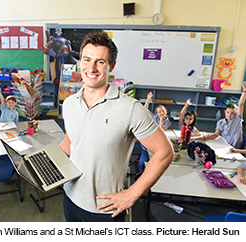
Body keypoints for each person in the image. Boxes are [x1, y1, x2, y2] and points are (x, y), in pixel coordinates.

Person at [59, 30, 173, 222]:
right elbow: (71, 141)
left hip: (105, 210)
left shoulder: (130, 109)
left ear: (111, 65)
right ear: (80, 61)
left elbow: (165, 152)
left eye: (100, 62)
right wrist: (44, 162)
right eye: (87, 60)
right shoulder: (69, 103)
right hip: (69, 197)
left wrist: (132, 193)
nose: (91, 68)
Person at [202, 82, 246, 148]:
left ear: (236, 114)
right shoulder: (221, 122)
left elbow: (240, 104)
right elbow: (216, 135)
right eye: (228, 112)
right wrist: (206, 137)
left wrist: (244, 91)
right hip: (225, 145)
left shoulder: (237, 119)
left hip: (235, 147)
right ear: (225, 112)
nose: (229, 115)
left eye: (232, 113)